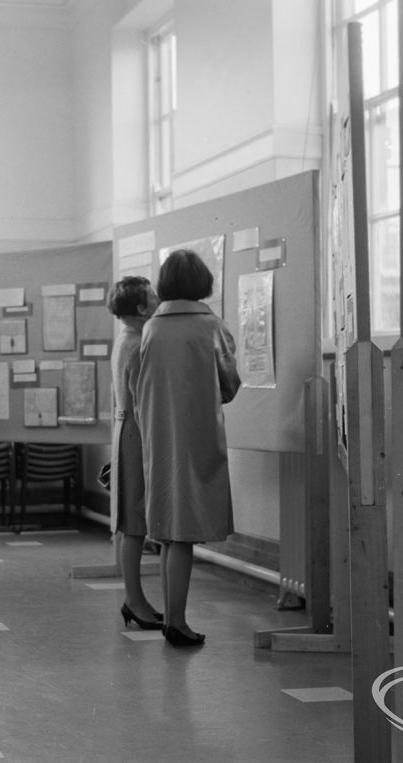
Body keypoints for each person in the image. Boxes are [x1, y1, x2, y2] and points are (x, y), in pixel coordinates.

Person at [135, 250, 241, 647]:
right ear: (203, 283)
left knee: (166, 528)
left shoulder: (152, 328)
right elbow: (228, 385)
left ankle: (172, 616)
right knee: (183, 533)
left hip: (158, 435)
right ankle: (176, 621)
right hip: (197, 435)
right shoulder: (210, 325)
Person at [107, 276, 163, 630]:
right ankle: (134, 599)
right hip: (136, 434)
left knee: (133, 523)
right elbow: (143, 401)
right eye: (153, 295)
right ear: (142, 307)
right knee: (134, 524)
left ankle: (136, 599)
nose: (159, 298)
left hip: (125, 429)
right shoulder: (138, 342)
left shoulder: (125, 337)